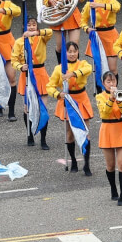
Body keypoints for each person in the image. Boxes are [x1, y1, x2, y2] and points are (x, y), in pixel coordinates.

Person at [46, 41, 93, 175]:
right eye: (69, 51)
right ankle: (73, 160)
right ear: (64, 53)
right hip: (67, 100)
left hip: (81, 99)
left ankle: (87, 163)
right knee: (69, 133)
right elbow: (49, 86)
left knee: (85, 131)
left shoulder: (82, 64)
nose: (72, 54)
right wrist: (58, 94)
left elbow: (88, 69)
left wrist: (72, 74)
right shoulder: (58, 68)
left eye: (74, 51)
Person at [96, 70, 122, 204]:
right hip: (107, 129)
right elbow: (105, 113)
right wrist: (111, 98)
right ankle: (113, 189)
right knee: (110, 165)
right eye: (108, 81)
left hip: (120, 128)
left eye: (113, 81)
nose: (111, 84)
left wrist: (119, 100)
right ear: (103, 83)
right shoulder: (100, 97)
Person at [11, 17, 52, 148]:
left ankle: (43, 139)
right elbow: (14, 60)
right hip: (27, 75)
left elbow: (50, 31)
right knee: (27, 109)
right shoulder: (19, 42)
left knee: (43, 108)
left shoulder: (41, 37)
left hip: (40, 74)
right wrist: (20, 67)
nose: (31, 27)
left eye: (34, 25)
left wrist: (36, 33)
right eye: (28, 25)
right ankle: (29, 134)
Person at [41, 0, 85, 65]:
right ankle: (61, 68)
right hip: (58, 16)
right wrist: (49, 1)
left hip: (72, 15)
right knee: (61, 47)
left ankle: (75, 69)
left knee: (74, 45)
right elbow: (45, 2)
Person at [81, 0, 121, 84]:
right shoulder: (90, 4)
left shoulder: (112, 1)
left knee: (112, 68)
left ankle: (114, 89)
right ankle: (100, 92)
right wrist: (87, 29)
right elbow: (82, 21)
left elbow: (116, 7)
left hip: (111, 35)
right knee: (99, 68)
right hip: (97, 36)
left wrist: (99, 5)